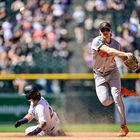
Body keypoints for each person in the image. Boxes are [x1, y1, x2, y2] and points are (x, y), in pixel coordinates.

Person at [91, 21, 138, 137]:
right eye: (103, 30)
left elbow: (123, 57)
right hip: (99, 75)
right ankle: (122, 93)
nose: (105, 32)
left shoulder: (116, 44)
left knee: (116, 97)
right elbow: (108, 51)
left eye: (107, 29)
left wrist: (132, 64)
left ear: (111, 31)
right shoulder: (96, 41)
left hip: (113, 73)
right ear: (99, 32)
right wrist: (125, 53)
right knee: (105, 101)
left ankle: (123, 127)